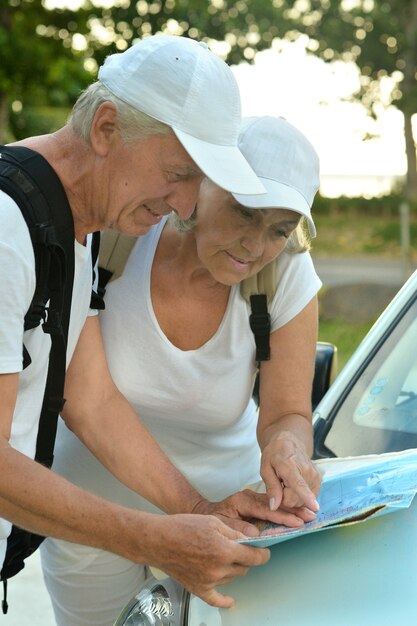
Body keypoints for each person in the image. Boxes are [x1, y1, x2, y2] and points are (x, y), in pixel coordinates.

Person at [0, 34, 302, 616]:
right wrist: (152, 539)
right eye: (179, 172)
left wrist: (198, 509)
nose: (187, 206)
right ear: (107, 128)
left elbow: (91, 400)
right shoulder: (8, 228)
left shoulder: (71, 229)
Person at [41, 115, 323, 626]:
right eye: (243, 212)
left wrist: (288, 446)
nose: (254, 247)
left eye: (279, 230)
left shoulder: (286, 275)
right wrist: (192, 508)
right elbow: (88, 401)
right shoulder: (116, 238)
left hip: (227, 520)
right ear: (200, 183)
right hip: (98, 516)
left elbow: (287, 412)